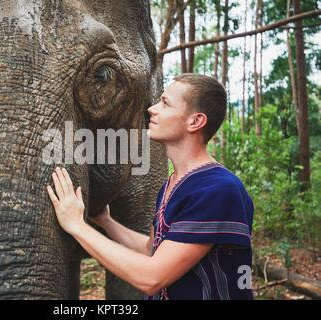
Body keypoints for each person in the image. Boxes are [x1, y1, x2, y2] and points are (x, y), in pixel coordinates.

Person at [46, 73, 254, 300]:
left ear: (195, 121)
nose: (152, 109)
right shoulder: (173, 184)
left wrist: (77, 225)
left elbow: (152, 277)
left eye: (165, 104)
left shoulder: (217, 189)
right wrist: (104, 220)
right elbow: (151, 249)